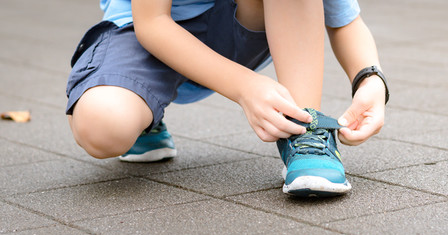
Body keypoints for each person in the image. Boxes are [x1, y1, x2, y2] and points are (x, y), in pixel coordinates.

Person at [66, 0, 389, 197]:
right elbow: (151, 23)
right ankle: (144, 111)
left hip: (235, 22)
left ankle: (304, 131)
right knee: (101, 125)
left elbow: (344, 19)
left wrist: (370, 80)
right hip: (140, 35)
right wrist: (244, 86)